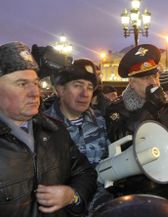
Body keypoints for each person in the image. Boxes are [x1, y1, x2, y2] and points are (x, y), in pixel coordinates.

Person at [0, 41, 97, 216]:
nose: (35, 92)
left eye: (36, 83)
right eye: (22, 84)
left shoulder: (55, 130)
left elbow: (85, 173)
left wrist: (72, 196)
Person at [105, 44, 168, 200]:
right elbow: (122, 140)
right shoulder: (117, 108)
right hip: (139, 189)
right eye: (146, 78)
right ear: (132, 82)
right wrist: (150, 107)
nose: (153, 82)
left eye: (155, 76)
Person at [45, 58, 111, 212]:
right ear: (60, 90)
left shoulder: (101, 121)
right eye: (77, 86)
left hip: (101, 208)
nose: (85, 93)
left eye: (89, 88)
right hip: (64, 210)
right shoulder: (44, 126)